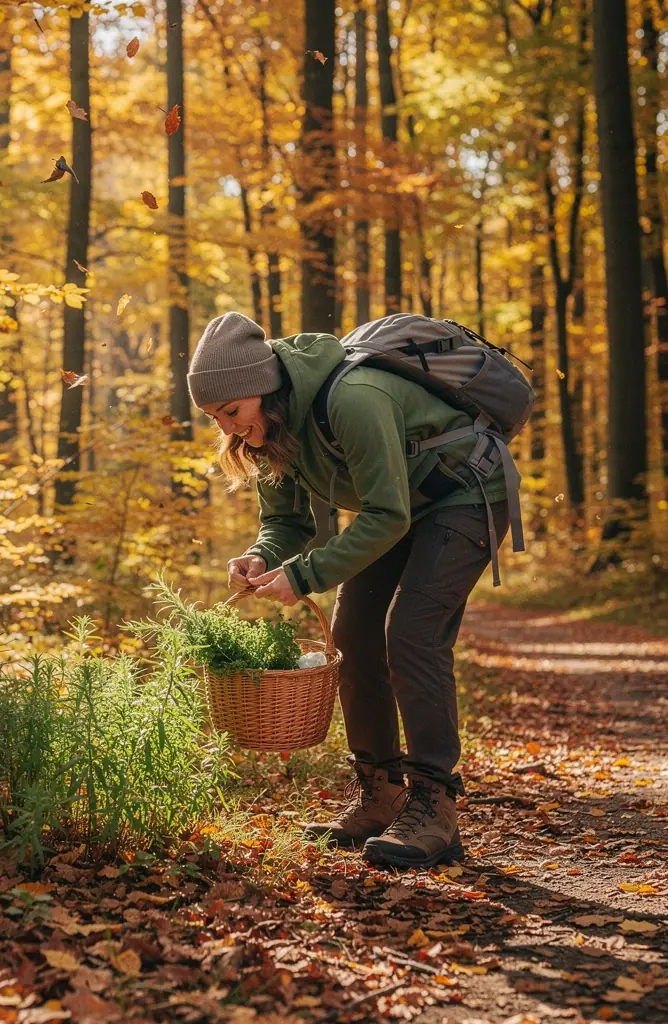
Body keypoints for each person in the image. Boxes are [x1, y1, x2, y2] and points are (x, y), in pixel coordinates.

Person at [187, 311, 511, 869]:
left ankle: (435, 807)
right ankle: (381, 794)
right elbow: (287, 524)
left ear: (262, 387)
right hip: (402, 508)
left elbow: (386, 515)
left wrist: (305, 576)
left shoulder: (353, 398)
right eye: (217, 419)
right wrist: (264, 554)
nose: (229, 430)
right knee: (352, 637)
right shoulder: (273, 431)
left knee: (410, 635)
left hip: (466, 494)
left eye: (232, 412)